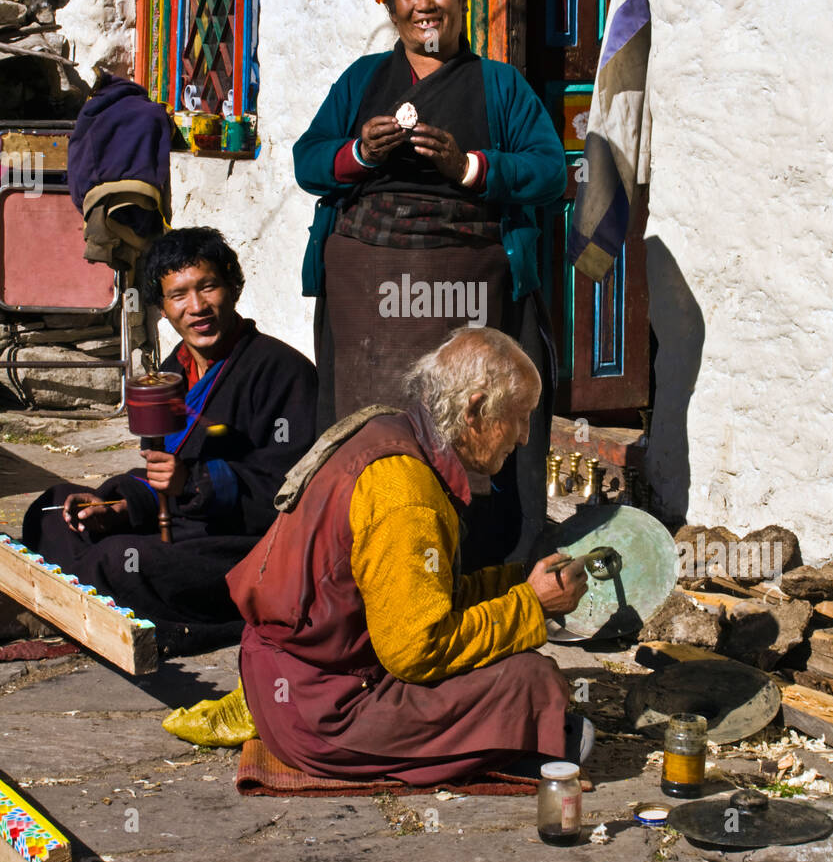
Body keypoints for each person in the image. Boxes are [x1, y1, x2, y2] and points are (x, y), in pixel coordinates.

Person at [292, 0, 566, 569]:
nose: (424, 4)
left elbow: (549, 172)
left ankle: (488, 554)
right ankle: (362, 546)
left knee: (474, 419)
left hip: (470, 285)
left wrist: (465, 165)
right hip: (370, 291)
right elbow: (310, 161)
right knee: (371, 417)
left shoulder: (500, 85)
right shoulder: (363, 80)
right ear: (390, 6)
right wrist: (360, 152)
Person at [225, 327, 594, 786]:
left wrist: (518, 581)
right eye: (519, 418)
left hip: (292, 687)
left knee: (516, 669)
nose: (522, 438)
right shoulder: (406, 492)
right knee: (531, 682)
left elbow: (426, 595)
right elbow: (415, 652)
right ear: (476, 410)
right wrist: (532, 606)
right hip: (327, 714)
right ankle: (522, 740)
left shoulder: (391, 430)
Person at [24, 228, 318, 656]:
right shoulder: (171, 372)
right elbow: (159, 470)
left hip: (244, 546)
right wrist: (121, 506)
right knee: (51, 507)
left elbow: (290, 495)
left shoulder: (281, 371)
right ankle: (87, 590)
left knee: (119, 561)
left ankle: (92, 597)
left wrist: (195, 483)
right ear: (162, 308)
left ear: (232, 288)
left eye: (208, 286)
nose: (196, 307)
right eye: (178, 295)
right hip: (176, 523)